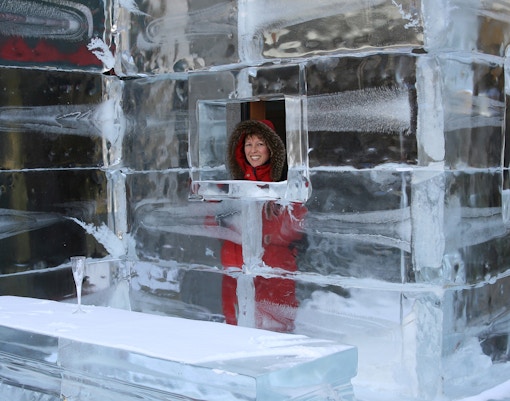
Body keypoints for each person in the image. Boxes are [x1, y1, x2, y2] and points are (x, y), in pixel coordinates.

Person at [220, 119, 306, 332]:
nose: (254, 150)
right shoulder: (230, 186)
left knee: (274, 330)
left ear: (272, 147)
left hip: (273, 268)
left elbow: (294, 227)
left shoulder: (287, 186)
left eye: (260, 143)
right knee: (234, 326)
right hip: (234, 268)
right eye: (248, 144)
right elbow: (212, 220)